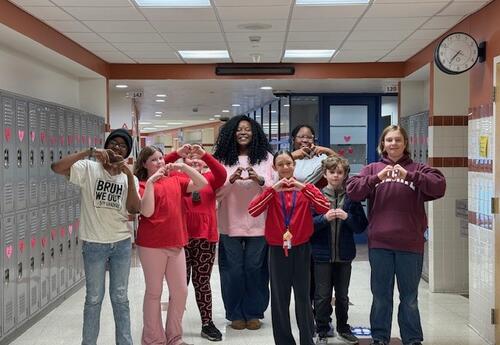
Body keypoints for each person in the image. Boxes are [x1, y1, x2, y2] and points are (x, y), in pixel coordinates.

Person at [346, 125, 446, 345]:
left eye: (397, 140)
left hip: (410, 244)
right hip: (380, 243)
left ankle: (412, 339)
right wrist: (376, 178)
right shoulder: (372, 169)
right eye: (389, 140)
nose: (393, 144)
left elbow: (439, 186)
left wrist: (410, 176)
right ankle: (380, 337)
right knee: (381, 297)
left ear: (405, 143)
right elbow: (353, 191)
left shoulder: (418, 168)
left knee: (409, 298)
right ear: (383, 144)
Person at [51, 128, 140, 345]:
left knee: (120, 299)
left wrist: (127, 173)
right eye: (114, 143)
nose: (117, 147)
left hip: (120, 244)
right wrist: (89, 152)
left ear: (127, 152)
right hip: (94, 244)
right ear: (106, 145)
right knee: (93, 299)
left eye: (122, 145)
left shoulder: (130, 178)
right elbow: (57, 167)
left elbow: (134, 208)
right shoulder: (89, 168)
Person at [248, 150, 330, 345]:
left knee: (302, 296)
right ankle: (284, 341)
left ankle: (306, 339)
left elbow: (325, 207)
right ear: (275, 167)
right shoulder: (271, 190)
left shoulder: (306, 188)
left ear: (294, 165)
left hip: (301, 248)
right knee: (279, 298)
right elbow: (253, 211)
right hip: (277, 250)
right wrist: (272, 190)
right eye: (281, 164)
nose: (286, 167)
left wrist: (302, 187)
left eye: (289, 163)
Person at [134, 146, 208, 345]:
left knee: (180, 291)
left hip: (176, 243)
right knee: (154, 292)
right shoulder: (141, 184)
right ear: (144, 164)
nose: (160, 163)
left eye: (161, 158)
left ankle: (174, 337)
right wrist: (150, 182)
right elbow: (147, 212)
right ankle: (153, 338)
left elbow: (201, 183)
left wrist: (184, 167)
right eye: (154, 160)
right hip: (152, 245)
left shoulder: (176, 179)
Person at [213, 115, 274, 330]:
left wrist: (261, 181)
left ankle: (254, 312)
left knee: (255, 269)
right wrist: (231, 181)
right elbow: (214, 193)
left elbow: (274, 189)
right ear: (231, 133)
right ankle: (235, 313)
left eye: (247, 129)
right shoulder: (220, 158)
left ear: (254, 132)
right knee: (233, 270)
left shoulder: (266, 158)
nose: (243, 132)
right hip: (229, 223)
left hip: (259, 224)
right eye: (239, 129)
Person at [164, 143, 226, 342]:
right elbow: (157, 167)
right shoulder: (175, 178)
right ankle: (173, 327)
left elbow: (222, 173)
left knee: (202, 282)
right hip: (181, 238)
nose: (195, 161)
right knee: (179, 285)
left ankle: (207, 323)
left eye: (198, 160)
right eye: (190, 158)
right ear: (184, 162)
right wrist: (176, 155)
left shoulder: (209, 179)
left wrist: (205, 155)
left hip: (205, 238)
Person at [311, 156, 368, 345]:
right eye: (332, 172)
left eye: (339, 172)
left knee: (342, 295)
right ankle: (322, 329)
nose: (335, 175)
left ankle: (343, 327)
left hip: (344, 255)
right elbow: (307, 225)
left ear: (345, 175)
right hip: (321, 255)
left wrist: (347, 217)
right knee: (322, 295)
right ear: (325, 174)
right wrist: (323, 219)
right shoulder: (316, 196)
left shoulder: (352, 199)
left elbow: (361, 226)